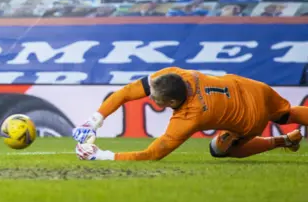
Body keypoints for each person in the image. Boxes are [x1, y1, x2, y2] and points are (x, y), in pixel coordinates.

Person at [72, 67, 307, 161]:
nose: (150, 98)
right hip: (255, 88)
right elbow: (127, 92)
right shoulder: (175, 74)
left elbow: (152, 154)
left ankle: (283, 140)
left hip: (251, 119)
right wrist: (94, 120)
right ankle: (289, 133)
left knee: (219, 149)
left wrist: (101, 156)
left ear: (173, 102)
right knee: (285, 115)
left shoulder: (189, 117)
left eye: (156, 99)